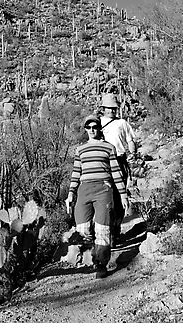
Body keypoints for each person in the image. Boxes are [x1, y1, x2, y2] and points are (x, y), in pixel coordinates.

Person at [65, 115, 129, 279]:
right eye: (89, 127)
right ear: (85, 129)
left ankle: (101, 264)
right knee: (83, 229)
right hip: (84, 189)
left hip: (103, 188)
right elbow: (76, 173)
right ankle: (92, 254)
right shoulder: (80, 149)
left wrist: (123, 195)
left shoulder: (108, 148)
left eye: (95, 126)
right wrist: (71, 193)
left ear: (99, 128)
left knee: (103, 228)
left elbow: (116, 173)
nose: (92, 129)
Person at [99, 93, 137, 244]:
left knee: (119, 195)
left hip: (119, 160)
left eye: (114, 108)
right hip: (103, 162)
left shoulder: (123, 123)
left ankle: (115, 230)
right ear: (103, 108)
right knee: (104, 197)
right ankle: (104, 231)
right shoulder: (97, 123)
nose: (112, 111)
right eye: (109, 108)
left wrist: (133, 154)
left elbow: (131, 140)